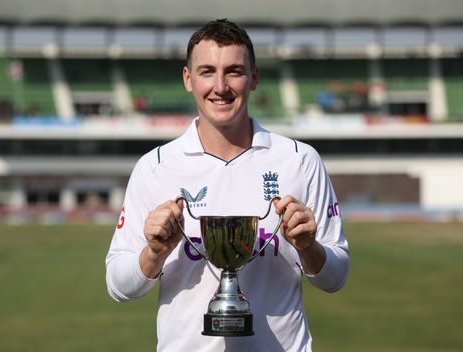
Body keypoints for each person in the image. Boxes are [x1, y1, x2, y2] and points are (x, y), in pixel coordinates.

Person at [106, 18, 350, 351]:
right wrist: (154, 253)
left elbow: (336, 278)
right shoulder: (155, 167)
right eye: (207, 71)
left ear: (254, 78)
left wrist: (309, 247)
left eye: (234, 71)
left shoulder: (299, 160)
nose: (220, 86)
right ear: (188, 80)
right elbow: (119, 286)